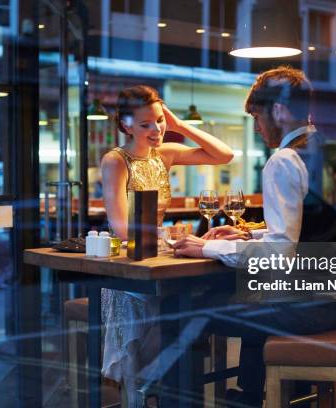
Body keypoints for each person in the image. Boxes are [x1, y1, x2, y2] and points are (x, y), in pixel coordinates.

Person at [173, 66, 336, 407]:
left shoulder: (283, 160)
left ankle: (184, 402)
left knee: (185, 309)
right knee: (256, 292)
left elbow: (279, 254)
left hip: (307, 310)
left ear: (281, 111)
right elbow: (314, 224)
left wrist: (208, 247)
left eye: (258, 117)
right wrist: (246, 233)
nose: (257, 129)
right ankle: (250, 395)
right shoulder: (334, 152)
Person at [99, 85, 233, 402]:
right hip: (129, 265)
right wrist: (167, 238)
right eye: (146, 124)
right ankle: (141, 390)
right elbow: (120, 226)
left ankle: (162, 385)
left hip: (161, 259)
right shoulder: (115, 161)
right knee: (170, 311)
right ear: (126, 125)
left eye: (159, 121)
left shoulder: (165, 156)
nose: (156, 130)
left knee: (188, 308)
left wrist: (181, 126)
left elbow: (224, 154)